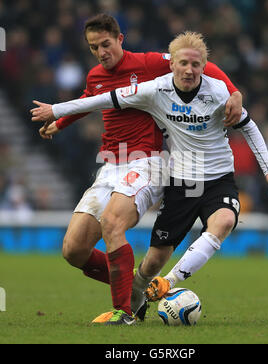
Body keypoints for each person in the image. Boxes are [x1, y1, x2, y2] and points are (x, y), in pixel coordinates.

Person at [31, 18, 243, 326]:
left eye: (106, 44)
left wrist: (234, 92)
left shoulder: (148, 63)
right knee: (74, 249)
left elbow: (198, 64)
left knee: (112, 224)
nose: (101, 52)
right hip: (110, 166)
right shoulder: (95, 75)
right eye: (94, 47)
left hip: (148, 162)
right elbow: (90, 101)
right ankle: (133, 285)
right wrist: (60, 123)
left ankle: (124, 313)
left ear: (120, 39)